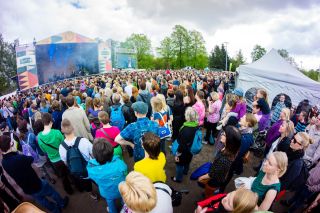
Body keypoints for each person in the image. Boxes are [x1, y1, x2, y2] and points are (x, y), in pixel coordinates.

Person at [0, 135, 68, 213]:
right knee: (51, 192)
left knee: (42, 201)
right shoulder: (19, 158)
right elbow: (31, 159)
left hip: (27, 188)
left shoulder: (4, 162)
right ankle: (62, 203)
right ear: (10, 144)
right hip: (36, 183)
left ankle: (55, 210)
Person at [198, 126, 241, 198]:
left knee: (209, 194)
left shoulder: (224, 159)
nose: (221, 135)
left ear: (229, 140)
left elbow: (212, 174)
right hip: (218, 176)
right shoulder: (229, 149)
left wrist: (201, 178)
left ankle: (206, 202)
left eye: (224, 135)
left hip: (214, 180)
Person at [87, 138, 127, 213]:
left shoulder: (92, 169)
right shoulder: (119, 163)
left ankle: (112, 211)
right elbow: (125, 171)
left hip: (107, 192)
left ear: (95, 154)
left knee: (110, 201)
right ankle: (124, 204)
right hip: (122, 189)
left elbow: (93, 178)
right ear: (111, 151)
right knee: (124, 197)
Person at [38, 113, 73, 194]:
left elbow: (44, 151)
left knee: (63, 176)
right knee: (70, 171)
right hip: (64, 157)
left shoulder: (39, 137)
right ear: (50, 121)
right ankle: (78, 186)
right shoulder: (57, 132)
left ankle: (69, 190)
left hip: (54, 161)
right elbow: (64, 143)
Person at [59, 118, 96, 197]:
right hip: (91, 169)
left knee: (87, 186)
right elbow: (93, 155)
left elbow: (66, 163)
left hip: (80, 172)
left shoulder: (61, 147)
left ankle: (93, 195)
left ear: (62, 131)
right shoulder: (84, 141)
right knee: (98, 181)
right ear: (73, 128)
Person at [221, 113, 257, 191]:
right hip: (227, 154)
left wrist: (226, 143)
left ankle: (221, 188)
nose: (241, 117)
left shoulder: (247, 138)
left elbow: (238, 152)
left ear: (247, 123)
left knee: (227, 174)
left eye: (243, 117)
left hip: (232, 160)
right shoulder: (239, 127)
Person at [172, 107, 199, 183]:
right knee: (187, 161)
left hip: (183, 151)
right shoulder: (196, 126)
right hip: (190, 150)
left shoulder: (185, 128)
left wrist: (177, 154)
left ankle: (178, 178)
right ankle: (185, 171)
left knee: (179, 165)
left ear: (187, 116)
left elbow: (181, 145)